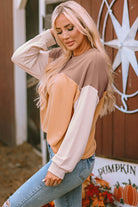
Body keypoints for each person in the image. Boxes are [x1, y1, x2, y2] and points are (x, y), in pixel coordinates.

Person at [2, 1, 115, 207]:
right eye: (60, 31)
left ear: (83, 25)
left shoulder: (94, 61)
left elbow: (81, 121)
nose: (66, 36)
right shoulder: (61, 58)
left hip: (73, 160)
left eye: (70, 28)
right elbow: (20, 57)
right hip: (59, 153)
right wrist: (50, 36)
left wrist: (59, 167)